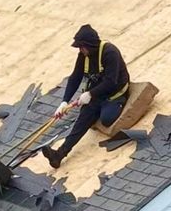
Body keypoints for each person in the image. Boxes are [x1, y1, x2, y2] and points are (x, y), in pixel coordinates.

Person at [43, 25, 131, 168]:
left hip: (114, 92)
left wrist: (90, 94)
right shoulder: (84, 56)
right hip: (97, 93)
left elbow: (111, 81)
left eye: (82, 47)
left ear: (90, 45)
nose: (80, 50)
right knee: (83, 119)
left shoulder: (110, 52)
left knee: (107, 119)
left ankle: (112, 106)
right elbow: (75, 78)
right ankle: (59, 154)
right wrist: (64, 101)